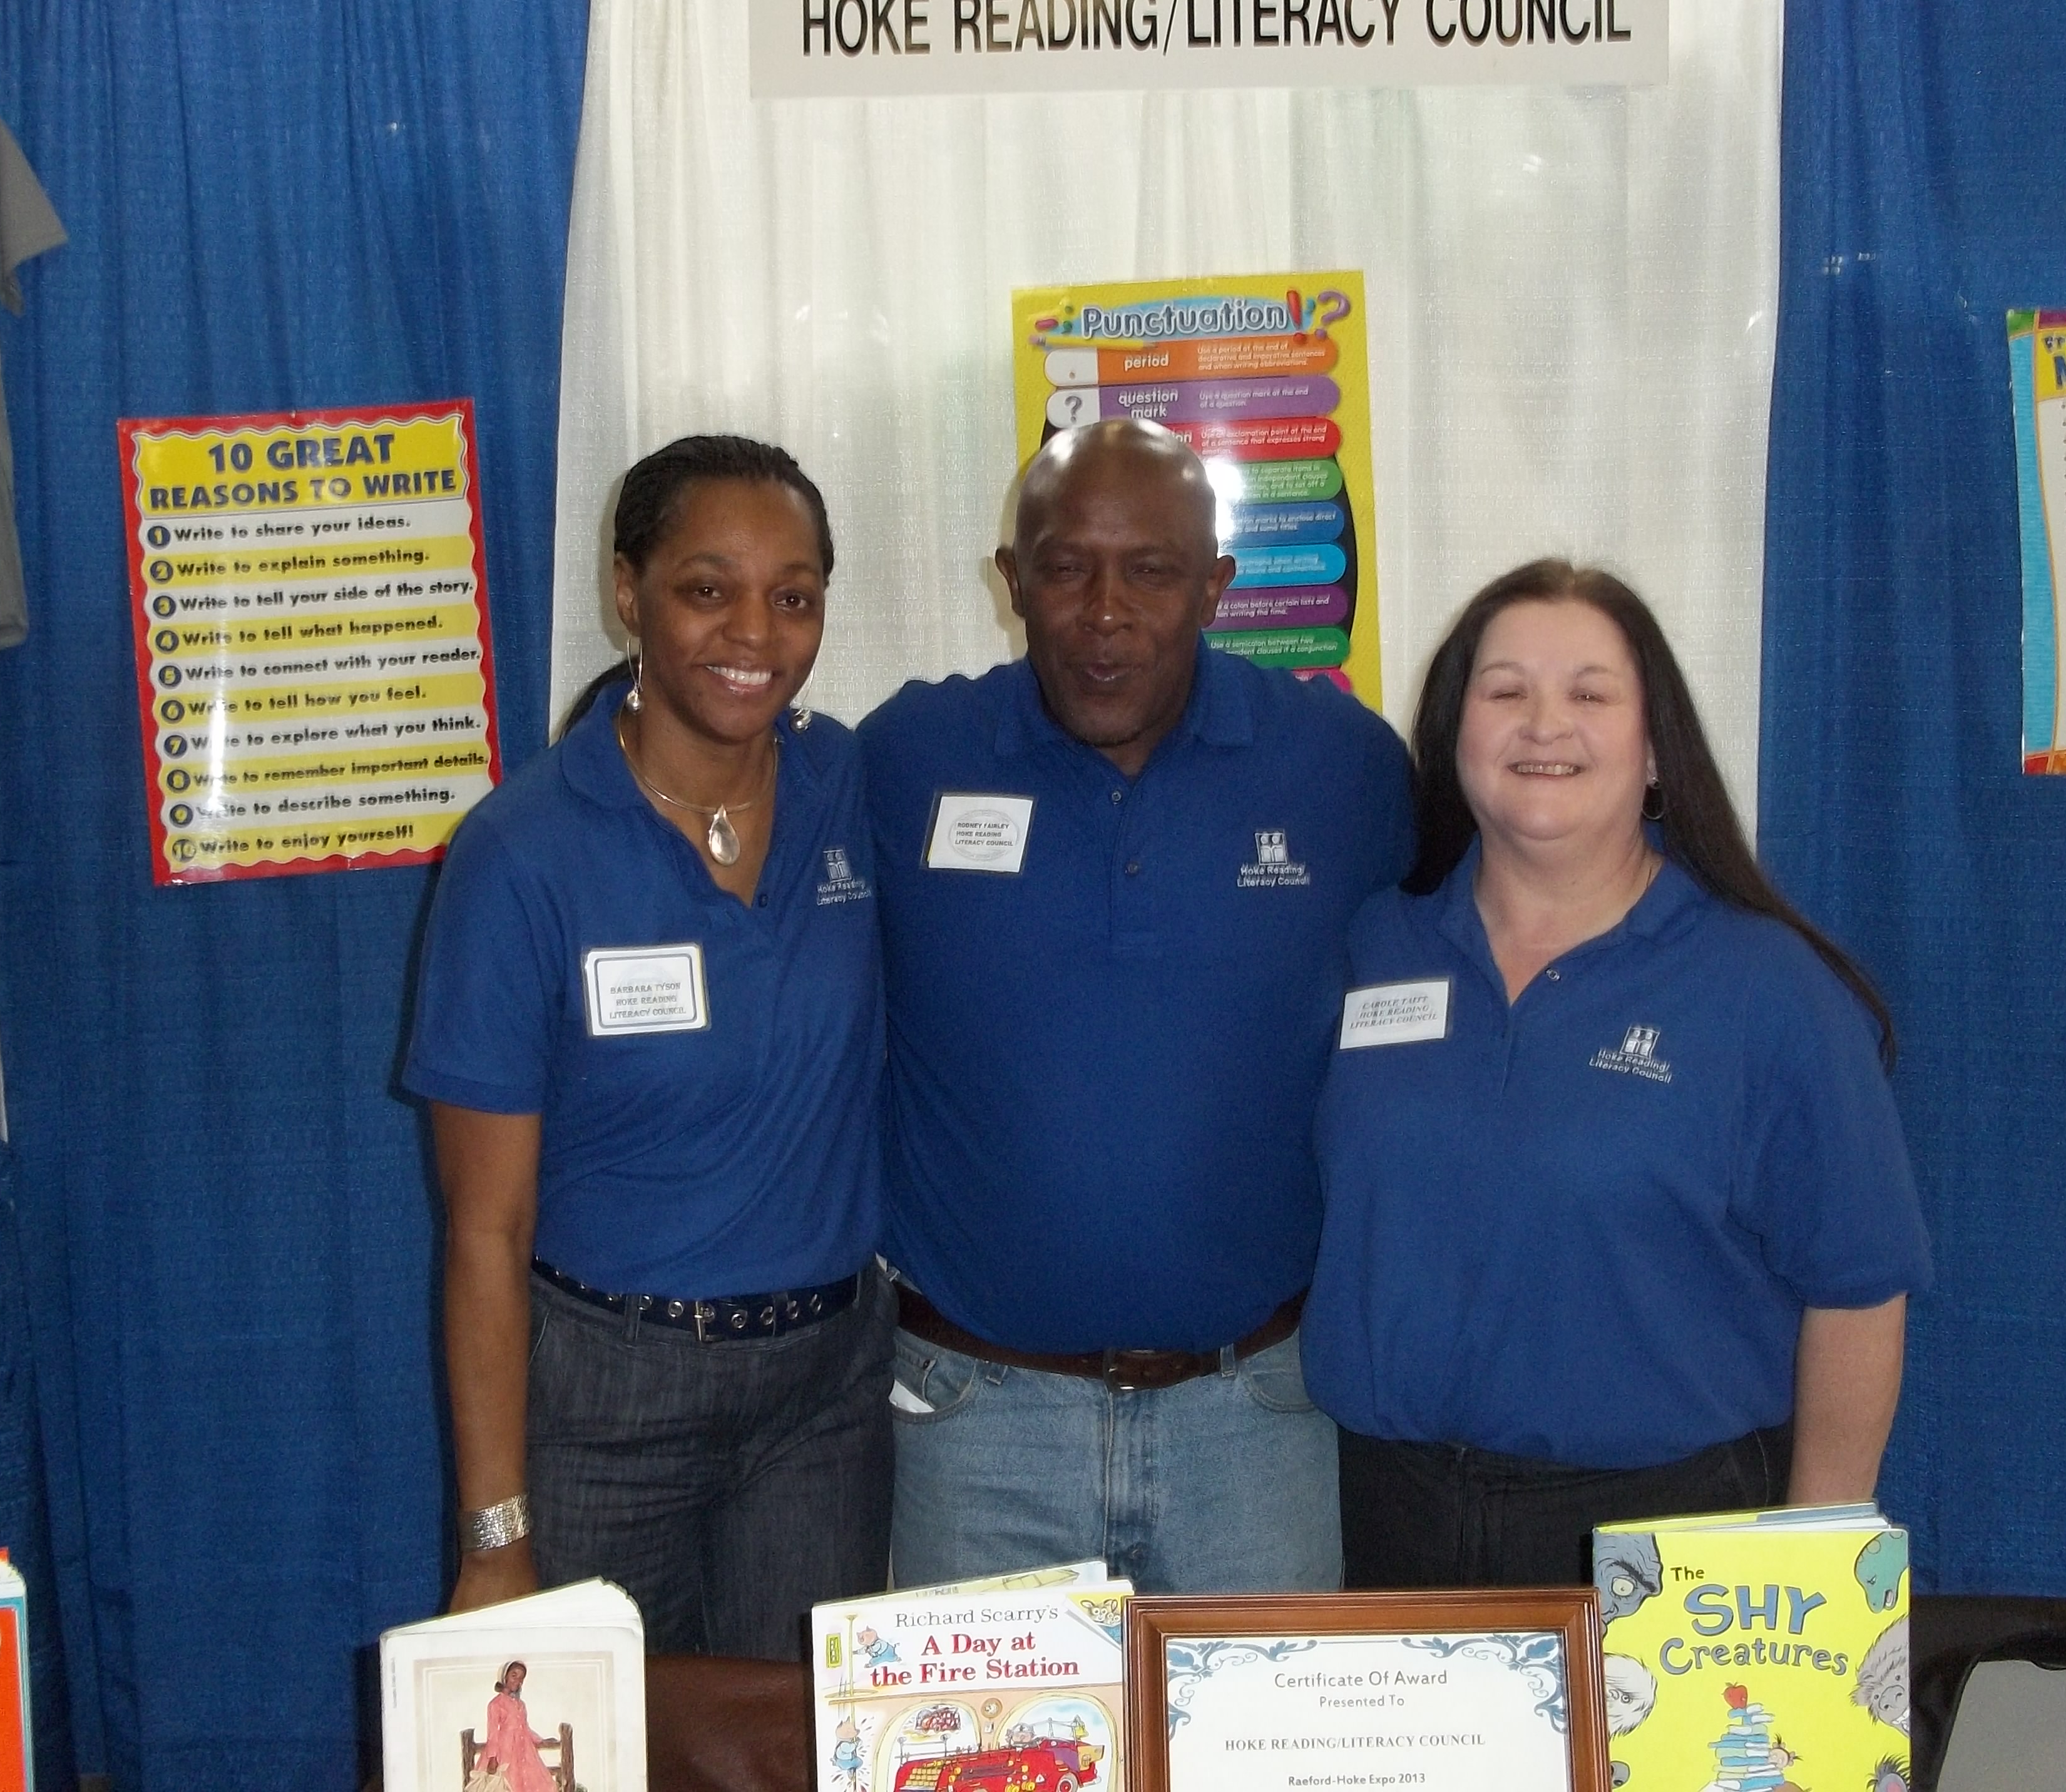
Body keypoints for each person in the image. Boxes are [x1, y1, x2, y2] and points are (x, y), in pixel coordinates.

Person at [859, 417, 1412, 1593]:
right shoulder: (903, 759)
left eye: (1151, 571)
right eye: (1064, 568)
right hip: (975, 1425)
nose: (1104, 610)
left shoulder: (1343, 769)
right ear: (1011, 582)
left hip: (1256, 1419)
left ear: (1214, 586)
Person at [1303, 558, 1933, 1589]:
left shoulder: (1763, 987)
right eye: (1504, 691)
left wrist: (1815, 1563)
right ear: (1453, 736)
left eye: (1589, 694)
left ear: (1653, 752)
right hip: (1379, 1517)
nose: (1543, 725)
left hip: (1664, 1539)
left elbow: (1860, 1292)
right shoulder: (1374, 943)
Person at [405, 434, 891, 1657]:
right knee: (611, 1755)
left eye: (792, 597)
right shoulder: (520, 855)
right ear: (627, 593)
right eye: (705, 588)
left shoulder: (850, 791)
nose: (754, 633)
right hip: (607, 1398)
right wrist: (493, 1534)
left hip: (820, 1401)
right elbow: (483, 1231)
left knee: (790, 1751)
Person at [476, 1661, 559, 1792]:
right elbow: (493, 1733)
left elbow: (525, 1728)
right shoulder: (496, 1704)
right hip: (506, 1752)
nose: (518, 1681)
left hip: (524, 1750)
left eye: (521, 1678)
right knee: (509, 1783)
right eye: (514, 1676)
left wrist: (541, 1740)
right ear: (505, 1677)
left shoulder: (521, 1705)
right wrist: (493, 1758)